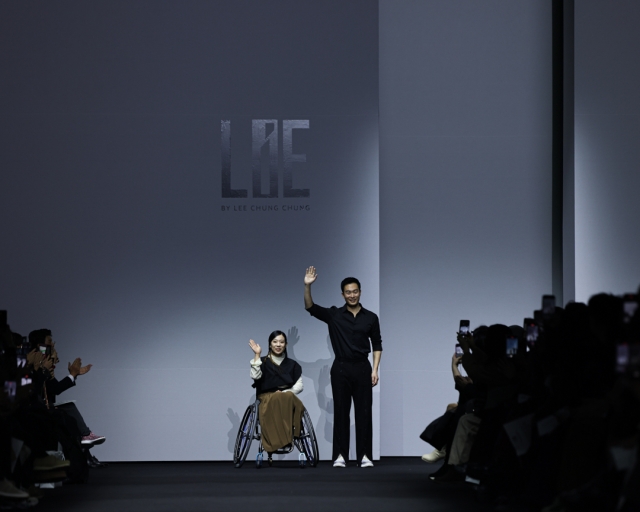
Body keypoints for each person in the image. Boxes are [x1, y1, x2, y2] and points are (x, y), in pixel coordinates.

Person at [303, 266, 382, 468]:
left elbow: (377, 344)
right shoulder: (334, 315)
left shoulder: (371, 318)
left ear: (360, 292)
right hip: (340, 368)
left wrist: (375, 369)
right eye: (348, 292)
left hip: (363, 368)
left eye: (355, 291)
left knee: (364, 412)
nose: (352, 295)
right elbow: (310, 307)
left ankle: (364, 455)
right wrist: (307, 286)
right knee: (341, 412)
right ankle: (340, 455)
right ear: (342, 294)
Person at [249, 330, 305, 459]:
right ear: (270, 344)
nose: (278, 344)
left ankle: (285, 437)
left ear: (286, 344)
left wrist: (284, 392)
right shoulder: (262, 361)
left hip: (286, 397)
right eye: (275, 342)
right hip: (266, 398)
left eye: (281, 342)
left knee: (288, 397)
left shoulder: (293, 365)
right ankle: (282, 439)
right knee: (282, 397)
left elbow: (299, 386)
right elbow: (255, 376)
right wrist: (257, 355)